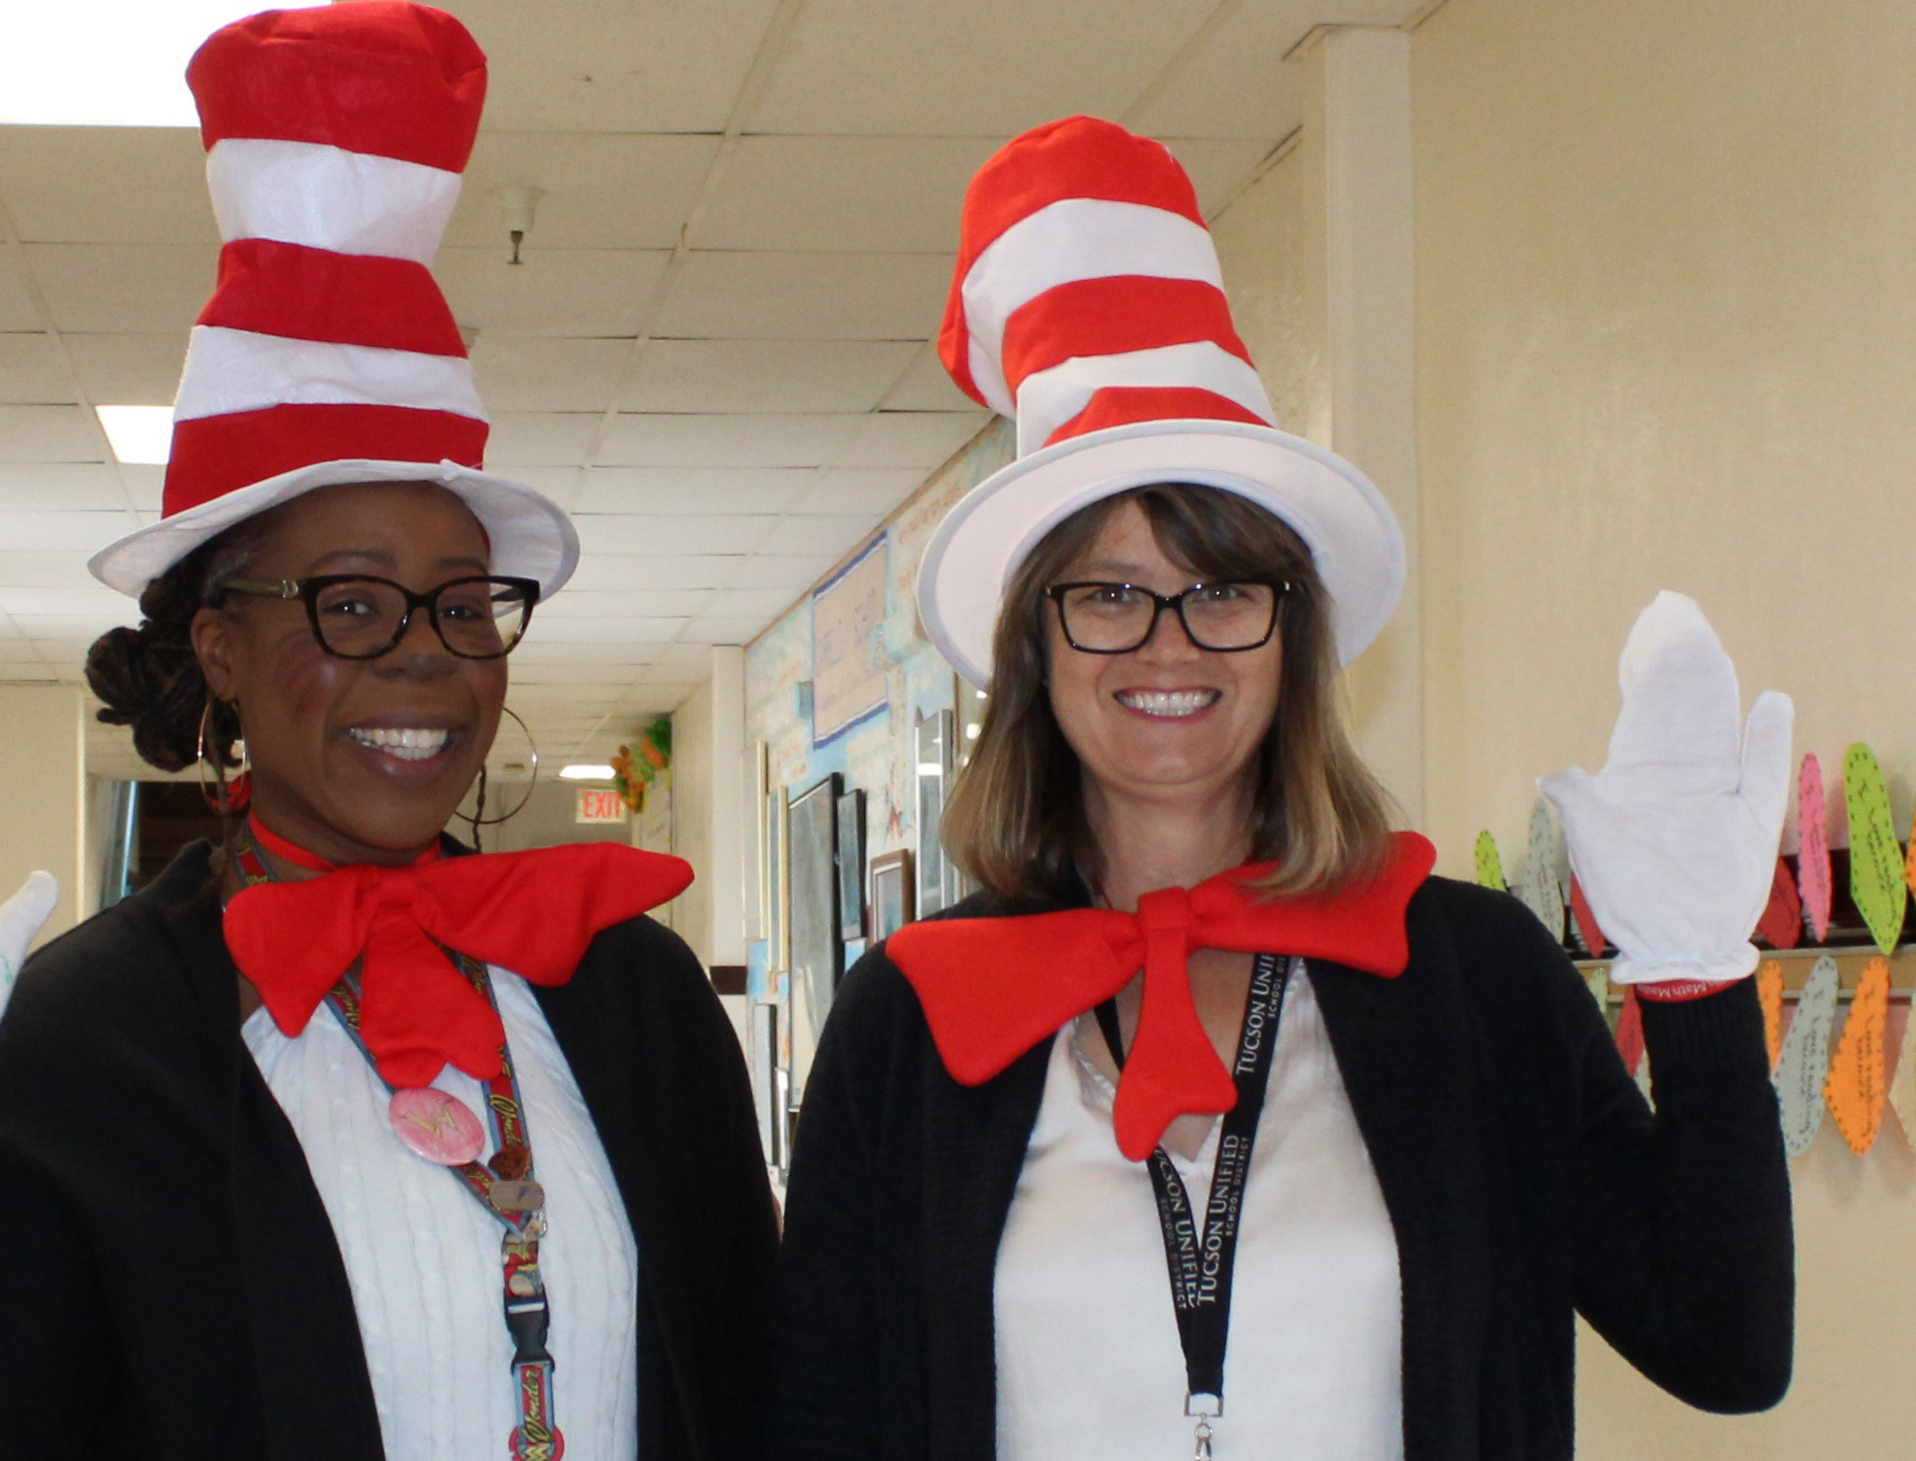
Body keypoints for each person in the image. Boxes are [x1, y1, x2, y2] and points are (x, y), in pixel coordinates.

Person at [0, 8, 775, 1461]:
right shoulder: (87, 1040)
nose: (427, 663)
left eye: (462, 606)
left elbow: (752, 1387)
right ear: (221, 647)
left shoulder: (630, 995)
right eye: (352, 605)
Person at [768, 116, 1794, 1461]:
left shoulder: (1471, 975)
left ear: (1292, 632)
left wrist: (1702, 990)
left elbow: (1726, 1350)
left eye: (1222, 590)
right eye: (1109, 595)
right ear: (1035, 644)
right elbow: (821, 1425)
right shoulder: (911, 1019)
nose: (1169, 644)